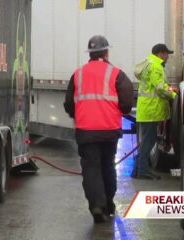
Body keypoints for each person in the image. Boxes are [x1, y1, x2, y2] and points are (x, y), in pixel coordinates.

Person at [64, 35, 133, 223]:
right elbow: (127, 101)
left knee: (91, 168)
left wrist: (77, 114)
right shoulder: (116, 74)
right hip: (109, 130)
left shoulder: (77, 74)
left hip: (86, 130)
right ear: (106, 52)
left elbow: (69, 103)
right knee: (107, 166)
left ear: (90, 54)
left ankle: (97, 205)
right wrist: (121, 111)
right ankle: (108, 203)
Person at [132, 44, 177, 179]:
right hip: (152, 109)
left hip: (146, 109)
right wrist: (174, 94)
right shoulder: (156, 66)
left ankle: (137, 170)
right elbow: (160, 88)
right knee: (149, 141)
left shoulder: (148, 63)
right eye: (166, 54)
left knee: (147, 140)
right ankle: (142, 171)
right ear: (160, 54)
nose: (167, 57)